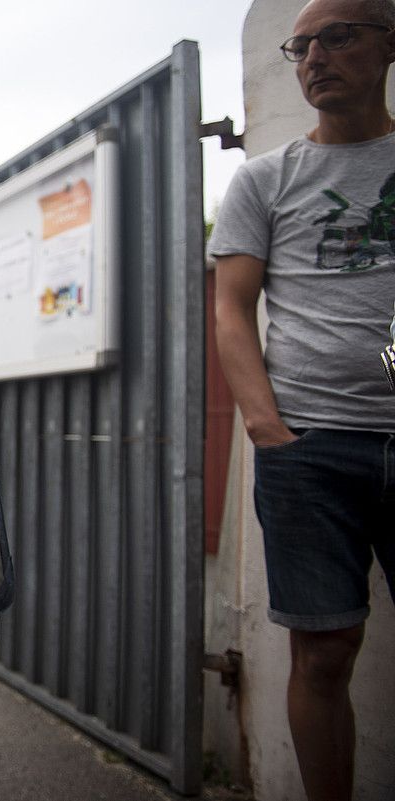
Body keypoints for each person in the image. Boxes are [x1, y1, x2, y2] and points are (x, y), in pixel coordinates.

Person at [209, 1, 395, 798]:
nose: (315, 57)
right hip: (308, 450)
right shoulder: (265, 178)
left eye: (339, 36)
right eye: (301, 45)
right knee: (323, 651)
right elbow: (231, 310)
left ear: (389, 43)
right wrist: (265, 424)